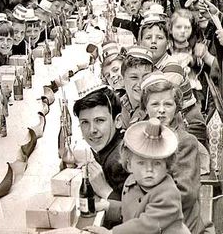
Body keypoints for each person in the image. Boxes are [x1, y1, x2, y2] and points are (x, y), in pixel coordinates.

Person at [84, 118, 190, 234]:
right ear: (129, 165)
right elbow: (131, 210)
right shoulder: (132, 181)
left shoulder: (168, 194)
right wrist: (108, 207)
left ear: (167, 166)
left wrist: (111, 233)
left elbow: (146, 225)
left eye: (157, 163)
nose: (149, 169)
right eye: (141, 163)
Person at [140, 73, 214, 234]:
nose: (161, 110)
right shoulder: (143, 139)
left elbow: (185, 195)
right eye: (154, 104)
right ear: (145, 108)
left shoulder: (185, 142)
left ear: (177, 107)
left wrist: (140, 202)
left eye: (168, 104)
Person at [72, 72, 129, 203]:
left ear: (118, 120)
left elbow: (135, 212)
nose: (92, 130)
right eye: (85, 122)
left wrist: (104, 190)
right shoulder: (110, 147)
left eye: (100, 120)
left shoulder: (118, 162)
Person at [119, 46, 154, 129]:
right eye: (134, 77)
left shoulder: (157, 109)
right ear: (122, 80)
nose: (140, 83)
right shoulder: (117, 106)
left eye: (146, 76)